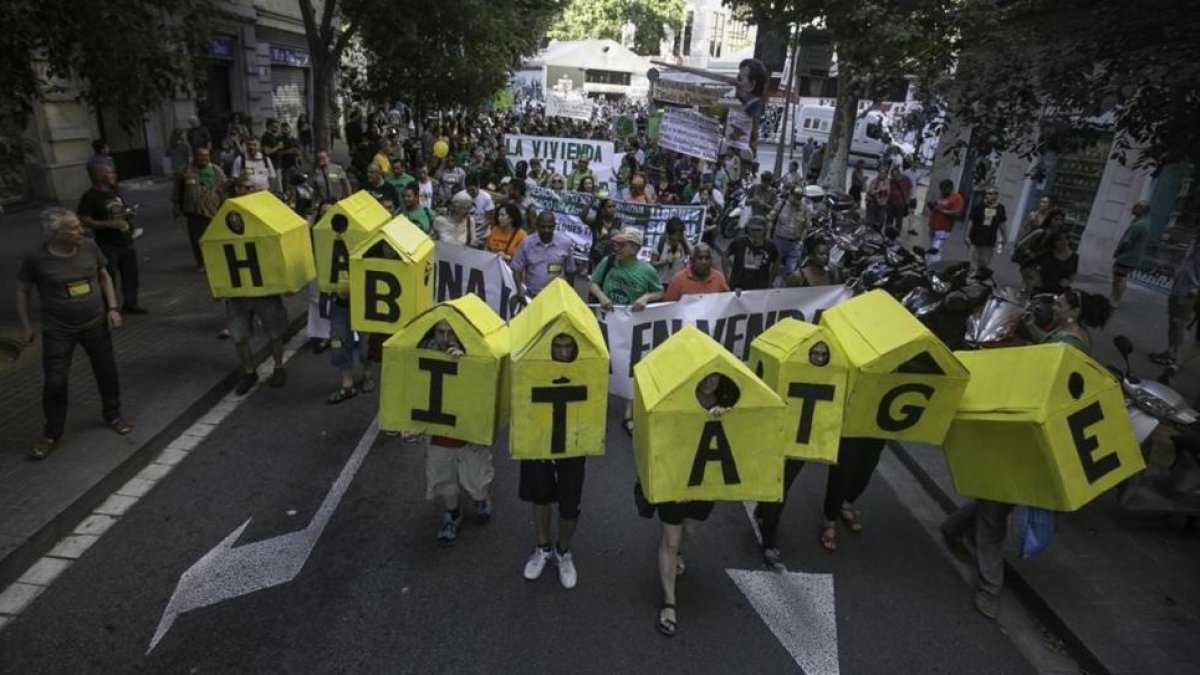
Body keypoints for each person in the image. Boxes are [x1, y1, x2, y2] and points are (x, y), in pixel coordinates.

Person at [942, 289, 1111, 619]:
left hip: (1027, 437)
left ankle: (989, 589)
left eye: (1060, 304)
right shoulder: (1071, 337)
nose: (1055, 307)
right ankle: (952, 529)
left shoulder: (1068, 346)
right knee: (998, 499)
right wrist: (1032, 330)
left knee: (995, 511)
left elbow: (1044, 374)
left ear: (1073, 311)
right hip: (1028, 438)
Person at [16, 208, 134, 460]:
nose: (80, 231)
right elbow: (22, 290)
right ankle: (51, 433)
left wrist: (112, 307)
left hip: (95, 324)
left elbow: (104, 278)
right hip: (59, 331)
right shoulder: (36, 258)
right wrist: (26, 325)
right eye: (73, 228)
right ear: (54, 233)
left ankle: (113, 414)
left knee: (106, 371)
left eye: (79, 226)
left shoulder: (90, 248)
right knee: (55, 381)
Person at [645, 372, 738, 637]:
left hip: (706, 484)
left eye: (715, 377)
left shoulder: (732, 405)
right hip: (674, 482)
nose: (709, 382)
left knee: (689, 531)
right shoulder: (673, 400)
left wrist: (729, 417)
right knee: (671, 541)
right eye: (704, 376)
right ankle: (669, 603)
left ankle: (674, 550)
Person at [520, 334, 587, 589]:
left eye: (568, 347)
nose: (562, 352)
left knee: (570, 503)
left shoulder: (586, 369)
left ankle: (563, 552)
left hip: (574, 442)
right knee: (540, 496)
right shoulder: (533, 365)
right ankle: (542, 548)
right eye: (557, 347)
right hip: (539, 438)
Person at [420, 320, 495, 545]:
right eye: (441, 332)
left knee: (477, 480)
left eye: (451, 333)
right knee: (444, 478)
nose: (446, 337)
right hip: (439, 434)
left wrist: (467, 362)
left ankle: (480, 497)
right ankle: (452, 515)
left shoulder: (473, 353)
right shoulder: (421, 356)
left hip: (467, 433)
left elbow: (484, 384)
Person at [590, 227, 663, 435]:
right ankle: (599, 404)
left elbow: (659, 291)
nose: (617, 248)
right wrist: (602, 296)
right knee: (605, 360)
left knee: (631, 364)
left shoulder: (646, 270)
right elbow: (594, 283)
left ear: (634, 248)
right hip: (607, 321)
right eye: (616, 244)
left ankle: (628, 413)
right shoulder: (609, 263)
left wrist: (646, 298)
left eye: (621, 245)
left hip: (631, 324)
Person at [77, 163, 145, 314]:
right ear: (98, 176)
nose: (114, 175)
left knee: (130, 275)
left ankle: (131, 304)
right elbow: (85, 220)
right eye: (110, 173)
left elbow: (119, 209)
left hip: (126, 241)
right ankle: (109, 308)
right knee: (109, 277)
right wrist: (109, 224)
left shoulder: (114, 191)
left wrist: (128, 213)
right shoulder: (89, 197)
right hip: (107, 245)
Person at [173, 147, 228, 271]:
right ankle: (201, 263)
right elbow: (177, 190)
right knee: (197, 239)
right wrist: (176, 205)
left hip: (214, 211)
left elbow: (225, 188)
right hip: (193, 211)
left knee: (215, 237)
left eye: (206, 156)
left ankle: (217, 262)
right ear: (194, 156)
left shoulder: (216, 170)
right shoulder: (185, 170)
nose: (203, 158)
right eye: (200, 156)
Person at [1149, 241, 1200, 372]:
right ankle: (1170, 350)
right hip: (1179, 286)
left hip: (1190, 290)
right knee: (1172, 321)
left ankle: (1174, 356)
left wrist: (1196, 289)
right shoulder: (1195, 243)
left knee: (1180, 323)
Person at [512, 211, 576, 298]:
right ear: (537, 226)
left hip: (557, 297)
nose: (547, 230)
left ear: (554, 226)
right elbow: (516, 268)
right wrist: (520, 290)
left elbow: (570, 271)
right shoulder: (527, 243)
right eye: (543, 227)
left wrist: (569, 293)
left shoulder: (565, 243)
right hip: (533, 296)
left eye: (550, 227)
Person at [1110, 201, 1152, 308]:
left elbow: (1127, 241)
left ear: (1141, 210)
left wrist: (1118, 251)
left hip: (1127, 256)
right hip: (1134, 256)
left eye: (1135, 208)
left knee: (1119, 278)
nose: (1132, 210)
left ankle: (1115, 298)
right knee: (1121, 277)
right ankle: (1115, 297)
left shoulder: (1137, 225)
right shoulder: (1146, 223)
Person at [725, 217, 779, 291]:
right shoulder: (739, 242)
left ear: (764, 230)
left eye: (759, 230)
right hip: (738, 287)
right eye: (752, 229)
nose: (755, 233)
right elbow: (725, 255)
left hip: (760, 287)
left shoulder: (770, 246)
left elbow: (777, 262)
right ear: (748, 229)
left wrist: (770, 281)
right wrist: (728, 278)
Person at [767, 186, 808, 282]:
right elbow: (770, 220)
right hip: (779, 241)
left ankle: (784, 289)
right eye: (796, 196)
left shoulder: (805, 209)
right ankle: (768, 286)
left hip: (795, 243)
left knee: (790, 270)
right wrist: (768, 237)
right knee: (773, 267)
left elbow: (807, 226)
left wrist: (801, 241)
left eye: (800, 197)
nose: (798, 199)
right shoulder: (780, 204)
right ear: (790, 195)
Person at [663, 243, 727, 301]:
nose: (703, 262)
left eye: (707, 258)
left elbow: (725, 302)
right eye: (699, 258)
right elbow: (668, 307)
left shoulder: (719, 278)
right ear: (692, 260)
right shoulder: (678, 280)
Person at [966, 186, 1007, 271]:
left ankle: (980, 280)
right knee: (974, 263)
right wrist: (967, 236)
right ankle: (973, 279)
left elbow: (1002, 224)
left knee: (984, 264)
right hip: (976, 239)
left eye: (994, 193)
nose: (991, 195)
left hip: (989, 241)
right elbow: (971, 222)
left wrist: (1004, 237)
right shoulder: (979, 207)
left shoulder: (1000, 208)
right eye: (989, 193)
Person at [1027, 231, 1078, 296]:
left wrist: (1068, 281)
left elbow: (1075, 274)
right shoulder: (1047, 254)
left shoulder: (1075, 258)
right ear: (1054, 242)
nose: (1063, 242)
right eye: (1059, 239)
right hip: (1041, 291)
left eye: (1066, 238)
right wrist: (1034, 277)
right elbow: (1028, 265)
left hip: (1060, 294)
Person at [926, 179, 964, 263]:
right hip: (933, 226)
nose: (942, 191)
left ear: (949, 188)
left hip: (943, 228)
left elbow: (958, 213)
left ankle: (932, 267)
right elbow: (936, 206)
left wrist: (943, 211)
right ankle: (929, 264)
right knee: (932, 247)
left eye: (943, 189)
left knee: (936, 249)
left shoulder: (957, 198)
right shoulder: (941, 195)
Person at [651, 218, 691, 288]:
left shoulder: (682, 243)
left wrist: (685, 239)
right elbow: (652, 264)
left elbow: (693, 253)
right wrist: (664, 262)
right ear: (669, 233)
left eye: (679, 235)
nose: (677, 237)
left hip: (679, 283)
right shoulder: (660, 242)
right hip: (662, 283)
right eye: (675, 235)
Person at [885, 165, 914, 237]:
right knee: (889, 218)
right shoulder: (891, 181)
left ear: (899, 173)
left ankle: (897, 232)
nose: (894, 177)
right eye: (892, 175)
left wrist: (908, 199)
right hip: (891, 202)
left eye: (895, 175)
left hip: (901, 203)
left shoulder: (906, 179)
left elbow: (910, 189)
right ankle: (888, 232)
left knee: (899, 219)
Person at [865, 164, 891, 230]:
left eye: (884, 172)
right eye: (881, 172)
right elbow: (871, 191)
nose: (882, 174)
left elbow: (887, 192)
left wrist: (879, 191)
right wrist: (878, 190)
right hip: (872, 204)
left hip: (882, 204)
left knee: (880, 221)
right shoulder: (873, 181)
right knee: (871, 221)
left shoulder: (887, 182)